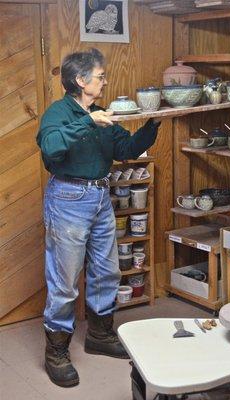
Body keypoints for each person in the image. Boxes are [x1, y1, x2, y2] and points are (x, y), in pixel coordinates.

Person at [36, 48, 161, 387]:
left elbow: (127, 150)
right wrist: (87, 121)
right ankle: (56, 352)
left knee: (107, 270)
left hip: (100, 197)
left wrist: (154, 123)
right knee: (65, 280)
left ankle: (100, 336)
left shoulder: (102, 114)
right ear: (81, 80)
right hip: (67, 198)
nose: (105, 81)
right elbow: (51, 148)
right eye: (101, 76)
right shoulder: (58, 114)